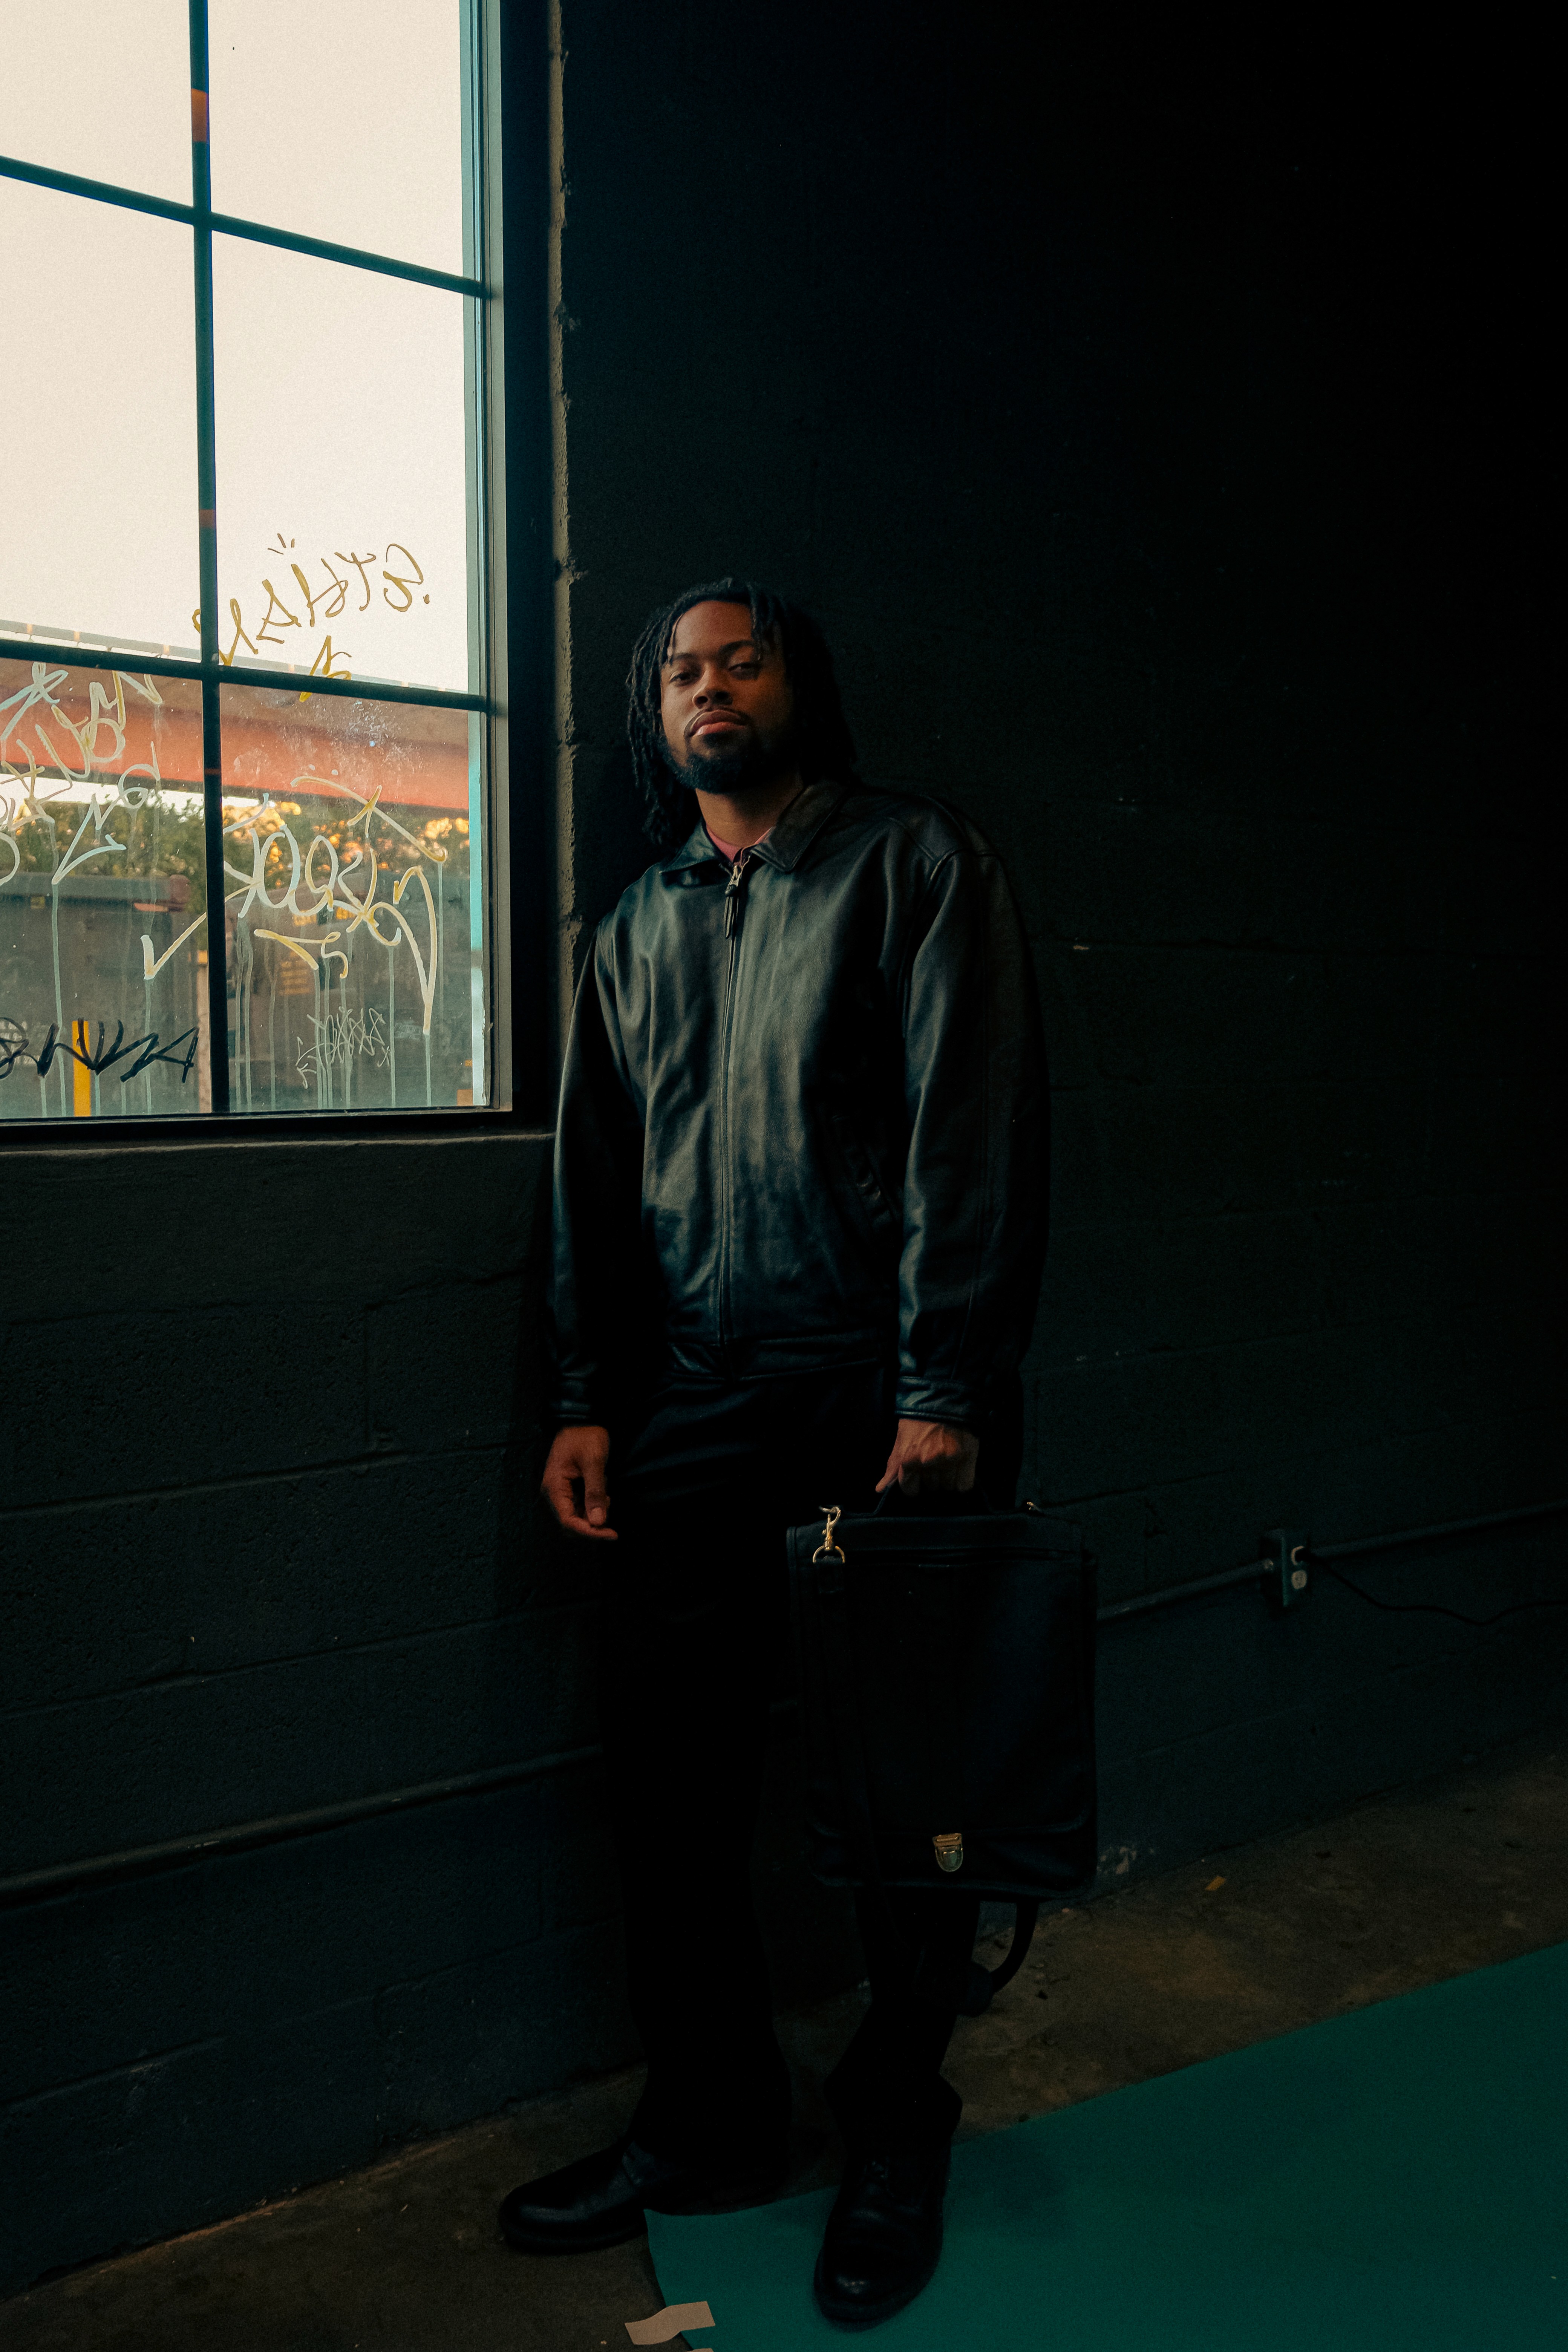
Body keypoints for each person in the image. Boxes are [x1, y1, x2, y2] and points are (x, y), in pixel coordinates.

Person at [499, 578, 1048, 2327]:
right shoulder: (634, 925)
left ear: (794, 686)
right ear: (652, 711)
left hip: (872, 1401)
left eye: (739, 660)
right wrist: (585, 1395)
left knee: (902, 1793)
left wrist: (941, 1387)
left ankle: (895, 2121)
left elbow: (969, 1136)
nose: (706, 687)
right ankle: (711, 2121)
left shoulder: (912, 864)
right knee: (668, 1784)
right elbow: (589, 1178)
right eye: (678, 670)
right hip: (688, 1406)